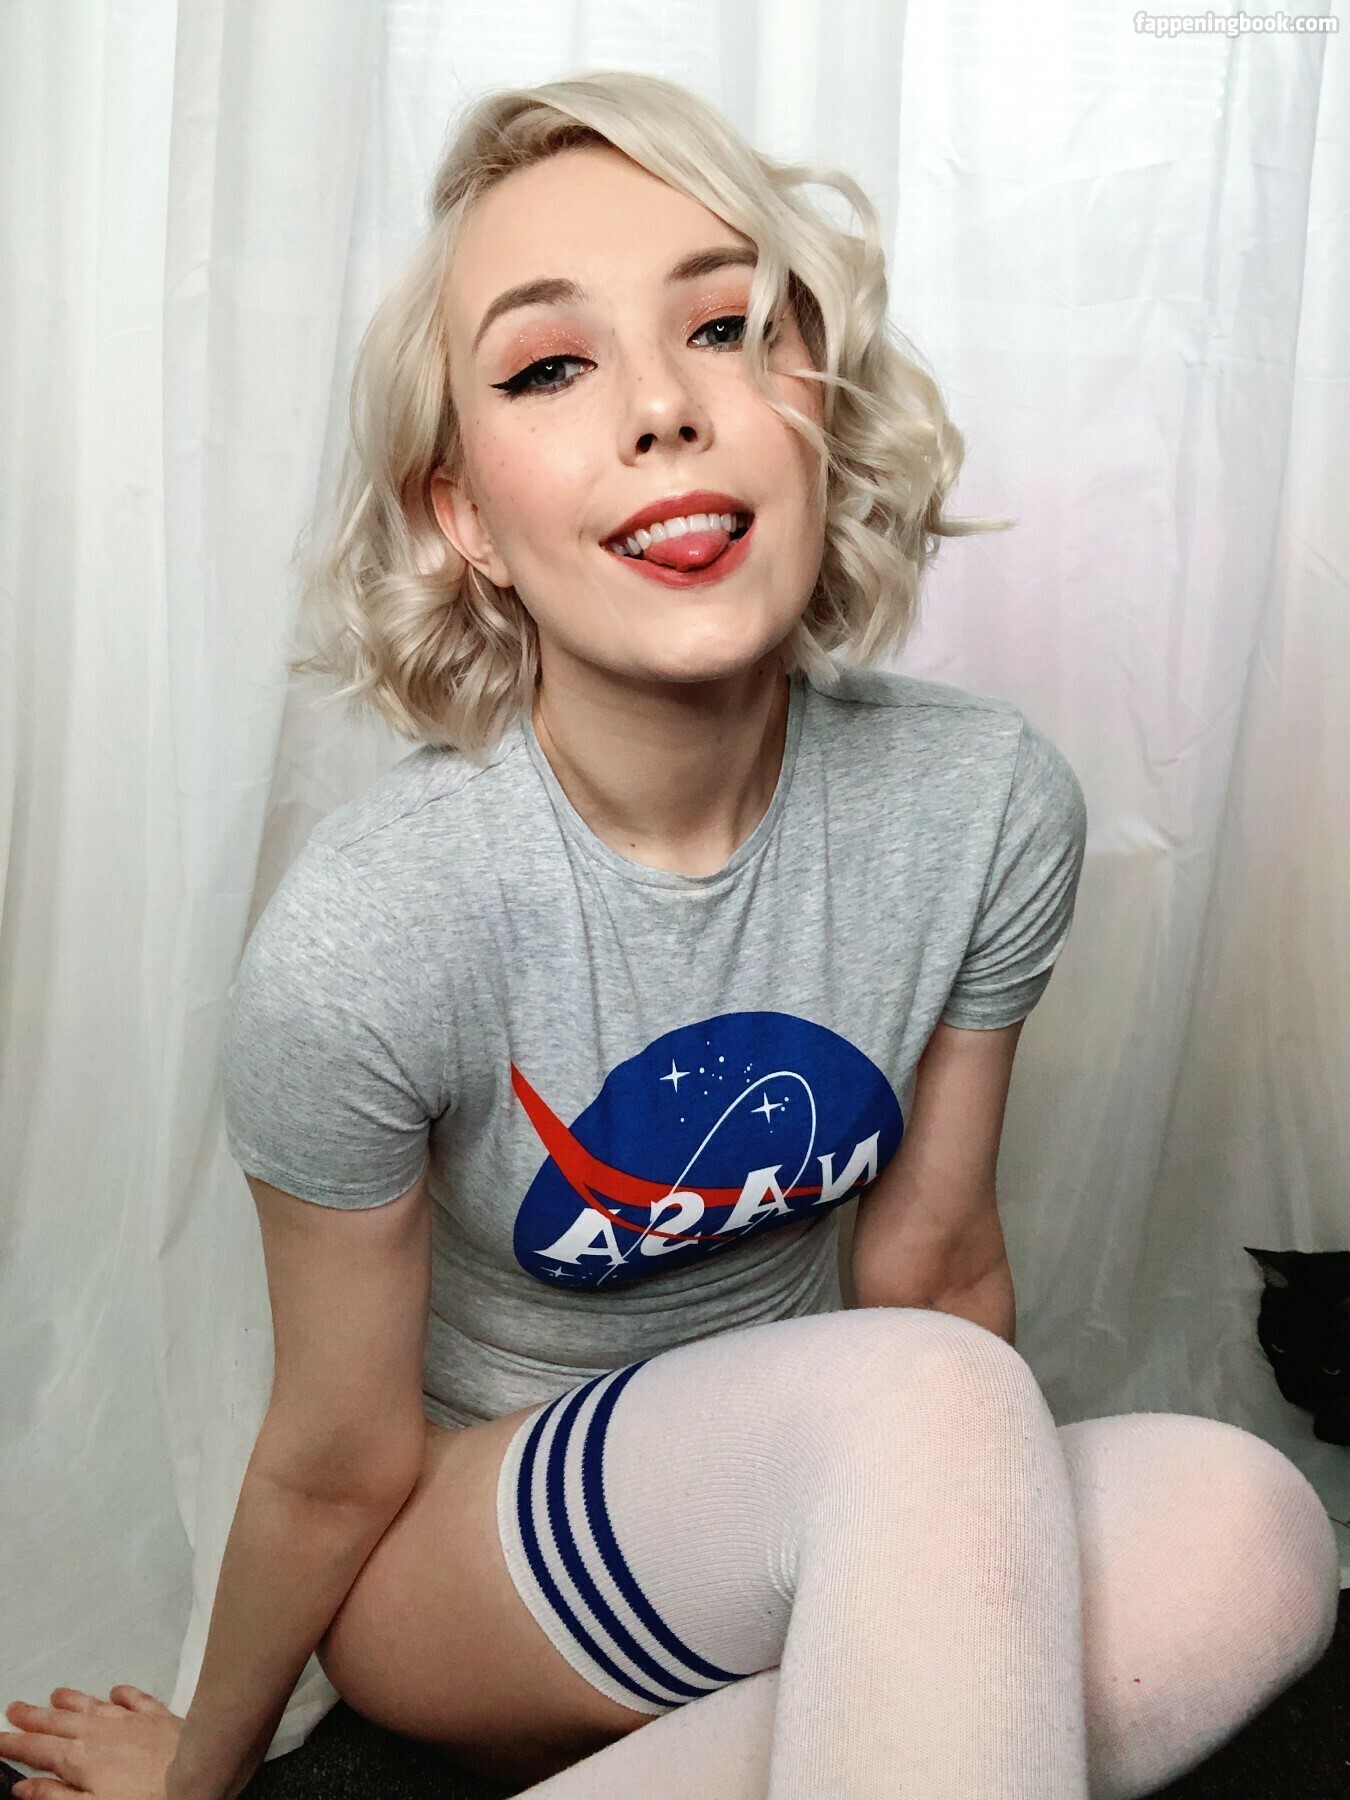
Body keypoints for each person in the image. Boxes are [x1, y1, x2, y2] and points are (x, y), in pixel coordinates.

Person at [2, 69, 1338, 1800]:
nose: (659, 407)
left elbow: (935, 1266)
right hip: (466, 1561)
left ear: (816, 410)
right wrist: (203, 1780)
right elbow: (334, 1457)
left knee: (1248, 1528)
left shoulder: (983, 804)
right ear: (464, 517)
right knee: (927, 1403)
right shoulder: (374, 930)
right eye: (549, 367)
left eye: (724, 329)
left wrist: (945, 1575)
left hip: (822, 1488)